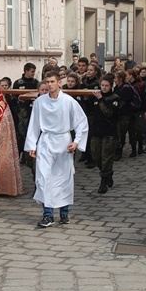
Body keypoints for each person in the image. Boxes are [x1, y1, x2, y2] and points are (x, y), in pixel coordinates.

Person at [25, 72, 88, 227]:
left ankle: (64, 211)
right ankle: (47, 214)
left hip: (63, 142)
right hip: (46, 141)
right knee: (43, 177)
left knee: (62, 177)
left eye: (52, 81)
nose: (49, 85)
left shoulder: (68, 101)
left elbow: (81, 122)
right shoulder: (40, 102)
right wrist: (32, 145)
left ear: (59, 82)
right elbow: (34, 124)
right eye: (47, 82)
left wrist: (76, 141)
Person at [90, 74, 120, 193]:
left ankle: (103, 181)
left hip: (109, 131)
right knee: (96, 156)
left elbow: (109, 113)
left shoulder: (114, 98)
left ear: (111, 86)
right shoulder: (95, 97)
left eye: (106, 86)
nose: (104, 88)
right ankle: (107, 173)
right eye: (102, 85)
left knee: (106, 157)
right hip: (97, 131)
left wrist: (100, 100)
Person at [12, 63, 39, 157]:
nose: (33, 74)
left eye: (34, 72)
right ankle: (20, 153)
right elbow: (14, 96)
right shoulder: (18, 83)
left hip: (32, 110)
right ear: (26, 71)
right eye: (32, 71)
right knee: (21, 133)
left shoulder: (36, 82)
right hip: (21, 112)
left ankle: (28, 154)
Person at [79, 63, 102, 168]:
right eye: (88, 70)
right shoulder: (84, 82)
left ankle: (93, 158)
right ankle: (86, 155)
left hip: (93, 111)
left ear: (95, 72)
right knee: (84, 134)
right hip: (84, 110)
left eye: (91, 70)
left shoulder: (97, 83)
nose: (88, 72)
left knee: (92, 135)